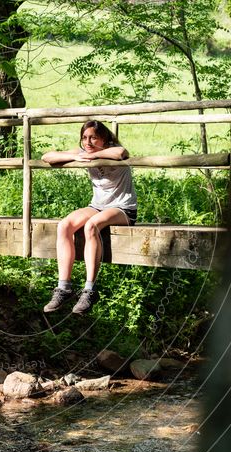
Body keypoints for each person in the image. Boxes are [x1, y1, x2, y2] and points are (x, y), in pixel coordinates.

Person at [41, 120, 137, 314]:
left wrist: (92, 154)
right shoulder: (83, 151)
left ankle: (89, 290)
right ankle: (63, 287)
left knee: (91, 226)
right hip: (97, 206)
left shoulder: (112, 149)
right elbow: (47, 157)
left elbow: (120, 153)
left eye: (93, 137)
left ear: (105, 139)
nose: (88, 142)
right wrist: (76, 156)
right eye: (84, 138)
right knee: (64, 225)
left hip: (122, 208)